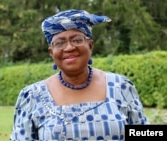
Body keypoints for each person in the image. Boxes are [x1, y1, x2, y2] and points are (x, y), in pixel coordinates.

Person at [10, 9, 149, 140]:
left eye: (76, 40)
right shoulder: (32, 96)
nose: (69, 47)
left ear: (90, 45)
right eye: (60, 43)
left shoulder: (121, 86)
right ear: (51, 52)